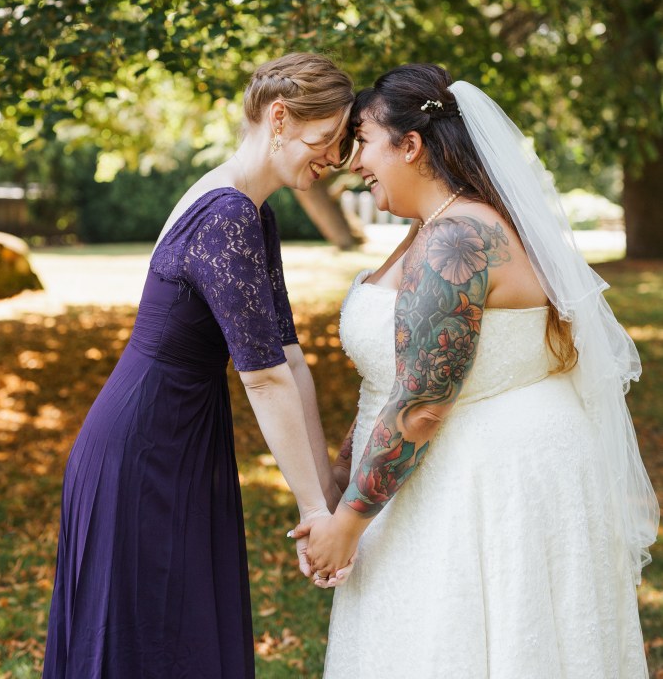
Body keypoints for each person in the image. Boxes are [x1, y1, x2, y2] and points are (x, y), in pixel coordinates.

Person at [294, 63, 658, 679]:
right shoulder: (435, 226)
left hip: (487, 486)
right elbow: (392, 374)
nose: (353, 162)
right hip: (456, 474)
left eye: (364, 141)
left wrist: (348, 523)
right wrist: (338, 475)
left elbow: (421, 402)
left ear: (411, 145)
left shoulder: (454, 241)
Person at [42, 52, 354, 679]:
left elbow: (291, 359)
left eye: (345, 144)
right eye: (327, 138)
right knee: (146, 646)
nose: (336, 158)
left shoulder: (254, 211)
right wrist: (312, 515)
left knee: (180, 639)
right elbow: (262, 376)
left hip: (181, 437)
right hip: (142, 448)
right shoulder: (227, 214)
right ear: (280, 118)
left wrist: (328, 500)